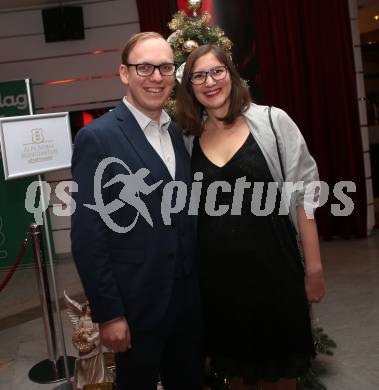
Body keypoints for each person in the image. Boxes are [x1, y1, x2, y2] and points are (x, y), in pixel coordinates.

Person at [176, 44, 326, 390]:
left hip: (277, 276)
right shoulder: (188, 140)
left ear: (231, 74)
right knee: (236, 377)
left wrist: (314, 266)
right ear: (190, 87)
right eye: (198, 75)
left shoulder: (274, 122)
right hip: (220, 286)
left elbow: (304, 196)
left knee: (283, 377)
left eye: (217, 71)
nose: (209, 81)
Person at [71, 32, 203, 390]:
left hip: (186, 305)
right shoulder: (98, 138)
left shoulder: (176, 133)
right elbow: (88, 234)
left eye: (164, 67)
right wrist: (109, 313)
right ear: (124, 73)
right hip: (136, 309)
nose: (156, 77)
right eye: (144, 67)